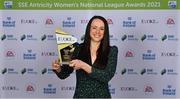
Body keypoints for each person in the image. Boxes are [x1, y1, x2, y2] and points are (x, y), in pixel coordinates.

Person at [52, 15, 118, 98]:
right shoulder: (77, 48)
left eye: (101, 29)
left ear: (105, 32)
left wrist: (83, 65)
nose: (97, 31)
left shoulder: (112, 51)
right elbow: (64, 74)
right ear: (89, 29)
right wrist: (58, 69)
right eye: (94, 28)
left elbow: (106, 76)